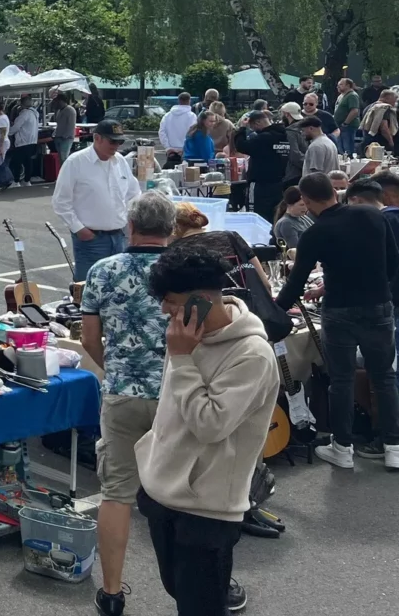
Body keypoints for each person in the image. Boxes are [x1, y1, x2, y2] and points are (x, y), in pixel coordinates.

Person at [135, 246, 276, 616]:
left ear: (199, 299)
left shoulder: (251, 354)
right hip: (162, 488)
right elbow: (172, 406)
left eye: (170, 301)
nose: (164, 310)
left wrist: (182, 359)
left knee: (200, 606)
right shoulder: (186, 331)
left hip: (206, 508)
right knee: (176, 589)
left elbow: (211, 425)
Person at [81, 193, 175, 616]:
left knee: (116, 493)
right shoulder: (182, 270)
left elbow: (88, 340)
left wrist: (117, 369)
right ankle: (197, 582)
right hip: (177, 393)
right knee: (186, 494)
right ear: (170, 230)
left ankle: (113, 593)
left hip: (122, 393)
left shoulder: (103, 270)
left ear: (129, 226)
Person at [276, 171, 399, 469]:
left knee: (341, 380)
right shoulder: (373, 216)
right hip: (378, 306)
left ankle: (342, 447)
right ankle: (394, 445)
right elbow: (393, 260)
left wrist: (273, 310)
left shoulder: (315, 233)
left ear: (305, 200)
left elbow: (295, 283)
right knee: (384, 377)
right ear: (334, 190)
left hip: (339, 310)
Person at [52, 120, 139, 283]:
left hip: (119, 236)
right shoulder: (75, 162)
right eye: (112, 141)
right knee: (87, 288)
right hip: (92, 238)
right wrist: (79, 229)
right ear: (97, 138)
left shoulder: (120, 161)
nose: (117, 146)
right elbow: (61, 202)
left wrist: (131, 225)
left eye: (120, 141)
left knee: (118, 286)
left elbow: (133, 194)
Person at [232, 110, 289, 221]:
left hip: (260, 183)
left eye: (252, 127)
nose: (253, 130)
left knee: (256, 216)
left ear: (257, 123)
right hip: (278, 183)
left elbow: (242, 146)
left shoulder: (264, 138)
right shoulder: (284, 137)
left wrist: (242, 129)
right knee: (274, 216)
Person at [157, 93, 195, 167]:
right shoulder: (192, 116)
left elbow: (162, 132)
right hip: (185, 152)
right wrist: (186, 148)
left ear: (178, 100)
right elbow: (193, 133)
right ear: (189, 101)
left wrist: (167, 147)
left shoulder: (167, 115)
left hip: (171, 152)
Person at [8, 95, 40, 184]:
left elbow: (16, 127)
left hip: (23, 141)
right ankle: (27, 180)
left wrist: (8, 132)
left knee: (16, 162)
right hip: (32, 141)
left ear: (21, 104)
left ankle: (16, 181)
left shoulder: (24, 114)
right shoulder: (35, 113)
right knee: (28, 162)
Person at [359, 87, 398, 153]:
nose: (394, 103)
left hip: (367, 143)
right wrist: (391, 142)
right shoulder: (384, 108)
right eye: (394, 100)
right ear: (387, 98)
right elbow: (384, 128)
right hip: (380, 144)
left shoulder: (368, 108)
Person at [278, 102, 306, 186]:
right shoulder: (306, 128)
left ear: (287, 114)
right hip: (305, 173)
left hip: (293, 175)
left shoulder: (290, 132)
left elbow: (294, 155)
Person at [335, 76, 361, 154]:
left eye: (341, 84)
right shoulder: (341, 96)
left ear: (348, 85)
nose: (338, 86)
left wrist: (345, 123)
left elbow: (354, 111)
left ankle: (349, 162)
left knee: (347, 148)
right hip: (339, 126)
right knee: (340, 147)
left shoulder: (352, 95)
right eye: (338, 84)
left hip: (348, 126)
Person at [51, 94, 78, 164]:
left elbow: (71, 125)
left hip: (66, 138)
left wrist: (65, 136)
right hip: (58, 137)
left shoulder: (70, 110)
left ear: (62, 101)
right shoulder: (59, 111)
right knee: (61, 158)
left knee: (64, 158)